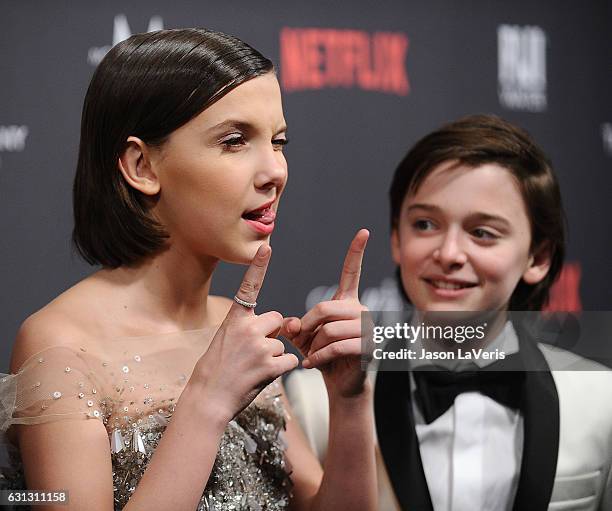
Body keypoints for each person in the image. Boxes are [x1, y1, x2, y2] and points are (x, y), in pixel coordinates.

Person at [0, 28, 376, 510]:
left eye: (279, 141)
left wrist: (349, 402)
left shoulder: (234, 327)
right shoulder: (59, 345)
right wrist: (207, 402)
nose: (275, 171)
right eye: (235, 141)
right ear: (142, 166)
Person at [286, 114, 612, 510]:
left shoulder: (600, 400)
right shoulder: (318, 399)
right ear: (396, 239)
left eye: (482, 233)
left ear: (538, 257)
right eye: (425, 224)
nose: (449, 253)